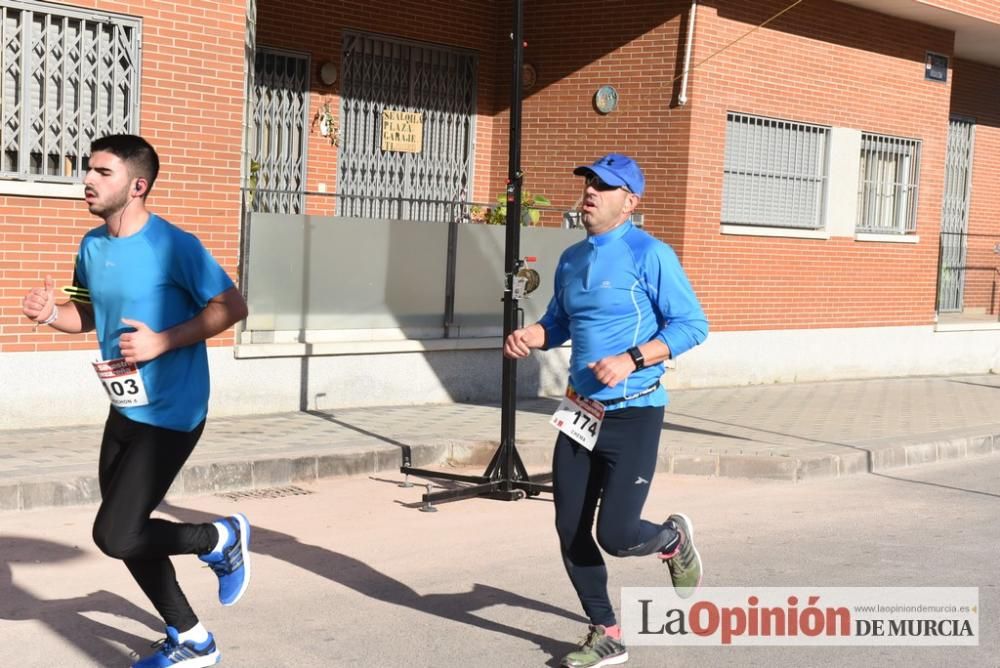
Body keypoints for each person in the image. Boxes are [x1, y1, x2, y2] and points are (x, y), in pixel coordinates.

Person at [21, 134, 251, 668]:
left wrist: (162, 340)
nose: (88, 181)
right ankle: (192, 639)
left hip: (172, 412)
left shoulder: (174, 245)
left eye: (103, 173)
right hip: (123, 407)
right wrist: (50, 314)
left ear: (137, 185)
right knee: (132, 534)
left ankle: (220, 536)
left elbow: (232, 305)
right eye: (89, 171)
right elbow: (87, 314)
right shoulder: (92, 245)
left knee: (116, 532)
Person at [504, 154, 708, 668]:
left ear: (630, 202)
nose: (591, 191)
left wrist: (633, 357)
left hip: (635, 411)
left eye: (606, 186)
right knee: (570, 527)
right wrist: (534, 335)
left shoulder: (650, 253)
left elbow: (692, 326)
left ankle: (671, 538)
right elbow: (559, 321)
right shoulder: (572, 259)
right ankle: (606, 630)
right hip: (580, 413)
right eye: (589, 182)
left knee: (615, 535)